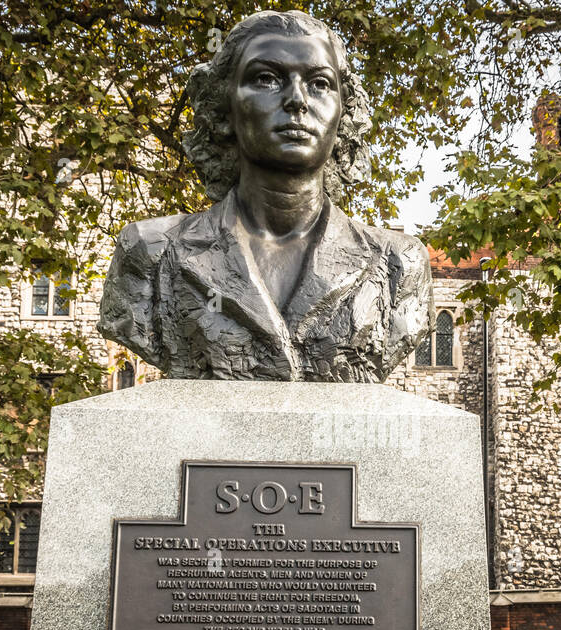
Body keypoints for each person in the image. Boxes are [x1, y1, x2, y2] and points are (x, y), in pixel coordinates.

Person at [98, 10, 434, 382]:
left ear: (344, 113)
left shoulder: (398, 264)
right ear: (224, 109)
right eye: (266, 78)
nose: (296, 100)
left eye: (320, 83)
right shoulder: (149, 253)